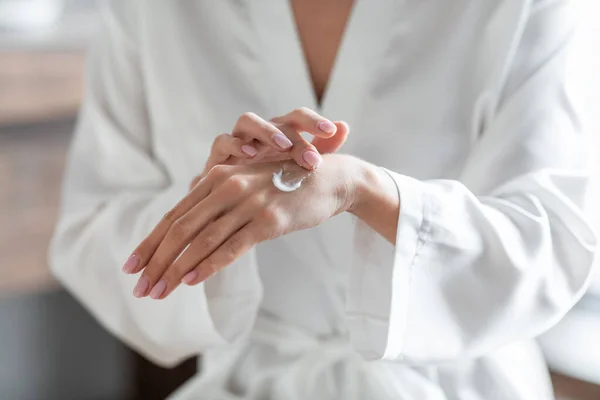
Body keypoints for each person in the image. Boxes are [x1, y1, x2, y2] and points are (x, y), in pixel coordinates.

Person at [50, 1, 596, 399]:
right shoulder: (150, 12)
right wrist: (211, 205)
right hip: (244, 384)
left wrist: (364, 191)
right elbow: (92, 227)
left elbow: (554, 237)